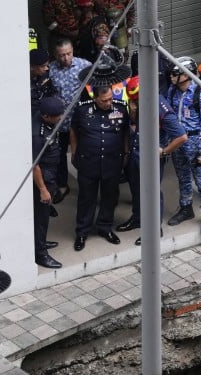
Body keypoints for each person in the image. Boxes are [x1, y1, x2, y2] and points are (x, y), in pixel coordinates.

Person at [119, 76, 189, 245]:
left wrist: (164, 152)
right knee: (136, 188)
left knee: (151, 193)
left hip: (153, 157)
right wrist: (134, 112)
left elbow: (181, 137)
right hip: (137, 152)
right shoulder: (139, 103)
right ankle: (137, 219)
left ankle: (154, 228)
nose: (134, 102)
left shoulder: (160, 106)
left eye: (136, 99)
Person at [70, 84, 130, 251]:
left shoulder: (120, 108)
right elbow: (73, 131)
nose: (108, 103)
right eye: (104, 100)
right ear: (95, 98)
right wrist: (74, 152)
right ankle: (82, 232)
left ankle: (105, 227)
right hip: (88, 162)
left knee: (110, 197)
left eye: (110, 99)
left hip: (112, 162)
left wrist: (125, 153)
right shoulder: (83, 110)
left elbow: (125, 131)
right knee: (86, 198)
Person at [165, 56, 201, 234]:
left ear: (186, 75)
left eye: (176, 74)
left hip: (194, 141)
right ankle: (186, 207)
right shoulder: (172, 91)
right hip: (177, 140)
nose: (172, 77)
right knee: (182, 176)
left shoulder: (200, 93)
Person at [49, 37, 94, 201]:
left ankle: (86, 186)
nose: (66, 58)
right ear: (56, 55)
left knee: (82, 153)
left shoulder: (84, 65)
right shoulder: (51, 69)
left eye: (68, 54)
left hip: (78, 121)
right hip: (59, 122)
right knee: (59, 155)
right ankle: (62, 185)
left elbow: (96, 85)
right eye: (62, 55)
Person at [32, 97, 66, 269]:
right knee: (41, 218)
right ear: (46, 116)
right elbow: (34, 165)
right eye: (56, 116)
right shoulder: (38, 135)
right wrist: (43, 190)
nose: (60, 118)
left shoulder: (47, 122)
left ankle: (42, 242)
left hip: (51, 175)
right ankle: (40, 253)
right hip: (42, 179)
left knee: (43, 217)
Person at [30, 49, 59, 121]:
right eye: (43, 66)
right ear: (31, 67)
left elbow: (52, 91)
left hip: (46, 115)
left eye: (47, 65)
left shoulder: (45, 75)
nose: (46, 68)